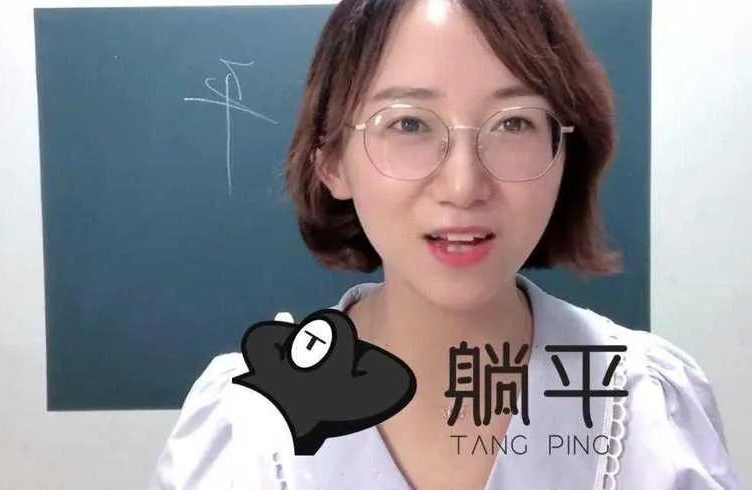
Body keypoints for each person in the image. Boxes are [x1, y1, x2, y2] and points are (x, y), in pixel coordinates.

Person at [148, 0, 742, 488]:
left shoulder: (649, 406)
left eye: (513, 123)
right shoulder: (247, 423)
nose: (463, 186)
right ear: (331, 161)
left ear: (564, 151)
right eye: (408, 123)